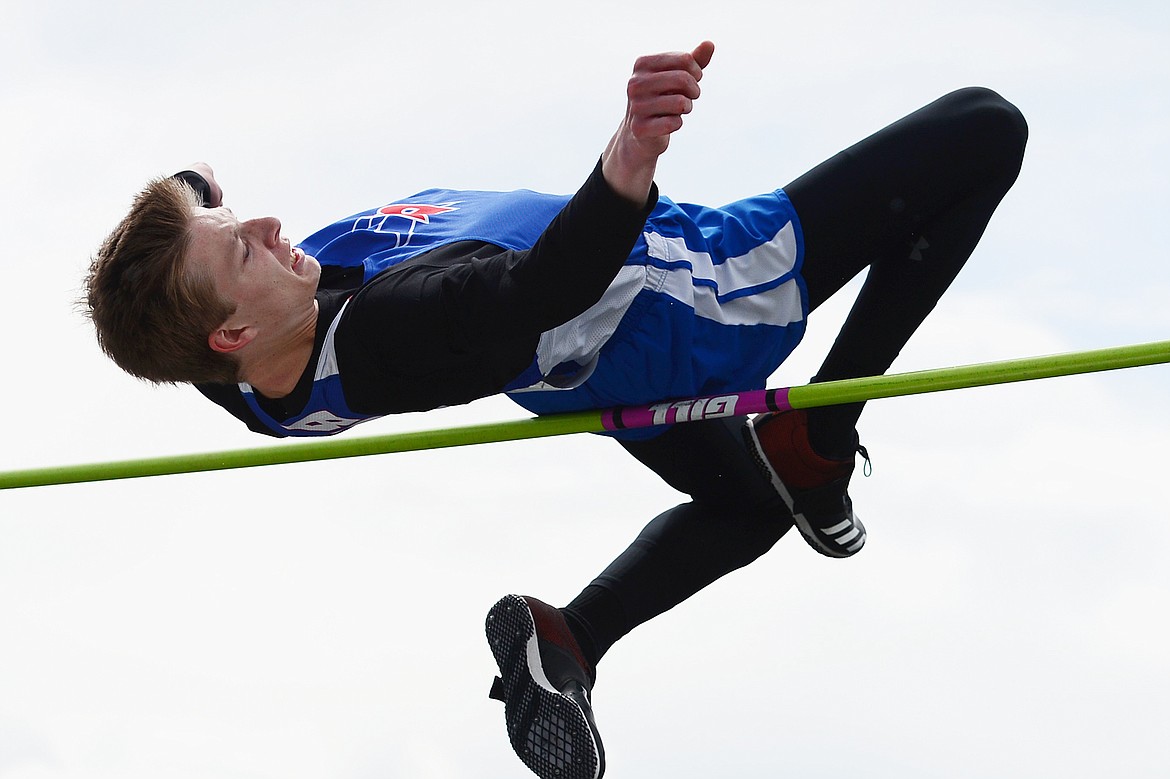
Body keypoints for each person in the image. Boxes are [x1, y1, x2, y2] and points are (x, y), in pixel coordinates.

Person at [85, 41, 1027, 779]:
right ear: (231, 333)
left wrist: (195, 204)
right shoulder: (405, 333)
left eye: (236, 219)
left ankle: (573, 636)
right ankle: (818, 435)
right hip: (683, 300)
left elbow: (186, 219)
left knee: (747, 507)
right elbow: (546, 286)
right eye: (242, 250)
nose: (265, 227)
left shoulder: (227, 366)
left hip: (594, 366)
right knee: (986, 129)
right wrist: (628, 156)